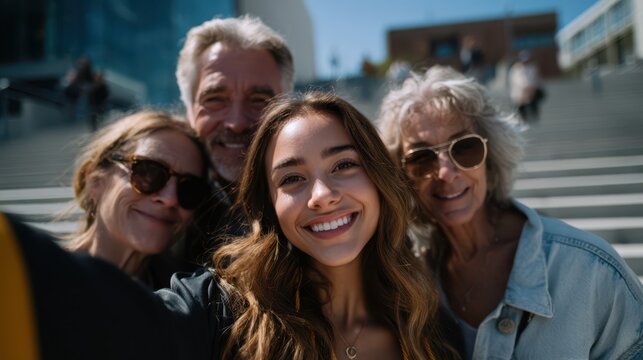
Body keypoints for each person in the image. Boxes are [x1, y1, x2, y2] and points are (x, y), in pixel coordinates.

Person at [0, 92, 456, 360]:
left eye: (344, 165)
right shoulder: (219, 309)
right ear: (270, 205)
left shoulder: (429, 326)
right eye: (292, 178)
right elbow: (102, 323)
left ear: (379, 178)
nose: (321, 195)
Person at [377, 65, 643, 359]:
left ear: (491, 155)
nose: (445, 172)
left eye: (465, 148)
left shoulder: (589, 271)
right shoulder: (411, 283)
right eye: (421, 159)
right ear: (400, 177)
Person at [174, 15, 294, 264]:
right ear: (188, 110)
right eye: (215, 100)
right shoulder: (155, 204)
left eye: (259, 100)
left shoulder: (320, 203)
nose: (237, 123)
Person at [65, 110, 211, 289]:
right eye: (148, 172)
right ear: (95, 181)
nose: (170, 199)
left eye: (189, 189)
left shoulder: (193, 302)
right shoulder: (37, 283)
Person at [509, 50, 544, 122]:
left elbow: (536, 79)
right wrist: (527, 87)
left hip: (531, 93)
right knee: (521, 109)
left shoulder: (532, 68)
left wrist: (532, 88)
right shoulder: (516, 69)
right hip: (519, 94)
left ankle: (533, 118)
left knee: (533, 106)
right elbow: (517, 81)